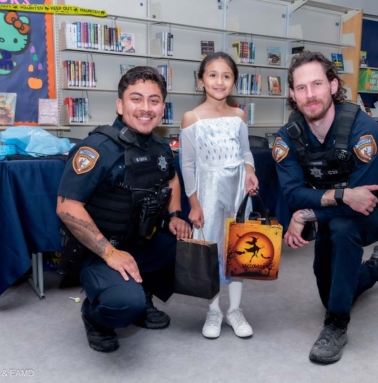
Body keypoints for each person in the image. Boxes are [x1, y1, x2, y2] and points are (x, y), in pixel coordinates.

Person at [273, 51, 378, 364]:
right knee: (332, 293)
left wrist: (307, 213)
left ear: (333, 86)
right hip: (335, 213)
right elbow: (293, 195)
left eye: (317, 84)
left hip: (375, 213)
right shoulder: (286, 138)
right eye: (302, 88)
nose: (310, 95)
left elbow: (362, 203)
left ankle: (336, 326)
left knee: (342, 227)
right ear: (293, 94)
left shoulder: (364, 129)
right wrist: (341, 196)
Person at [56, 66, 191, 353]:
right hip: (99, 250)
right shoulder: (97, 148)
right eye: (136, 99)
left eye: (154, 101)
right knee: (123, 304)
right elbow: (66, 206)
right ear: (120, 105)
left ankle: (144, 295)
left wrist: (177, 214)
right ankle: (96, 319)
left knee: (191, 251)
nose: (145, 108)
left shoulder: (160, 145)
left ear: (162, 107)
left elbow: (172, 178)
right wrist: (109, 253)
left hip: (142, 239)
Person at [180, 52, 259, 339]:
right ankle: (213, 310)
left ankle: (234, 310)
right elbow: (187, 164)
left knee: (238, 248)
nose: (219, 81)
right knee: (210, 250)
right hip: (208, 194)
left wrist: (250, 171)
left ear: (234, 81)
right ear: (201, 80)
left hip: (237, 192)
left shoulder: (238, 115)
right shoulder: (192, 118)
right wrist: (194, 204)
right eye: (212, 75)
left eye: (226, 76)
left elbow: (245, 151)